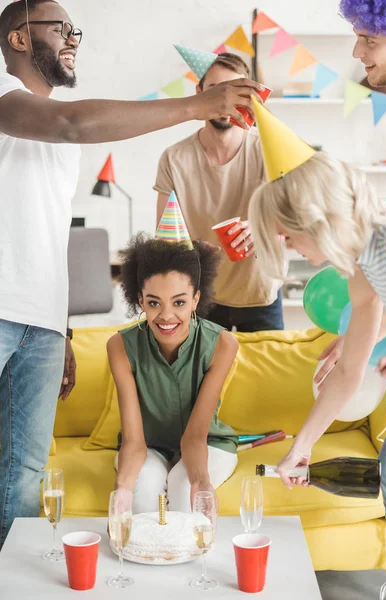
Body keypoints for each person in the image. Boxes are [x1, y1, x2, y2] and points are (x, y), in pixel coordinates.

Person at [0, 0, 264, 549]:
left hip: (40, 323)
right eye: (60, 29)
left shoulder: (56, 142)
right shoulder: (9, 102)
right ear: (20, 38)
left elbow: (44, 237)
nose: (74, 39)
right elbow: (74, 124)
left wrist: (62, 327)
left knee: (22, 474)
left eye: (78, 30)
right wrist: (197, 105)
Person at [249, 108, 386, 598]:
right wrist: (303, 447)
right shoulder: (362, 267)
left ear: (313, 219)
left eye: (288, 235)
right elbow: (349, 372)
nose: (289, 247)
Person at [107, 233, 239, 512]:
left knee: (184, 494)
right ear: (140, 300)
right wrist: (122, 491)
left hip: (208, 443)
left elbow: (195, 436)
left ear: (195, 299)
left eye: (179, 302)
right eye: (154, 303)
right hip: (147, 446)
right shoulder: (120, 347)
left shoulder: (222, 344)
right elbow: (133, 440)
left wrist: (201, 483)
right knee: (140, 498)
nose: (166, 316)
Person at [154, 52, 283, 333]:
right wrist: (190, 252)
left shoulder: (270, 150)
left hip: (261, 296)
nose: (225, 101)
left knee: (264, 377)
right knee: (203, 377)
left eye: (235, 91)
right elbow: (165, 236)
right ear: (198, 93)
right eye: (215, 91)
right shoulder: (174, 158)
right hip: (202, 299)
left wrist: (262, 228)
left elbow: (293, 216)